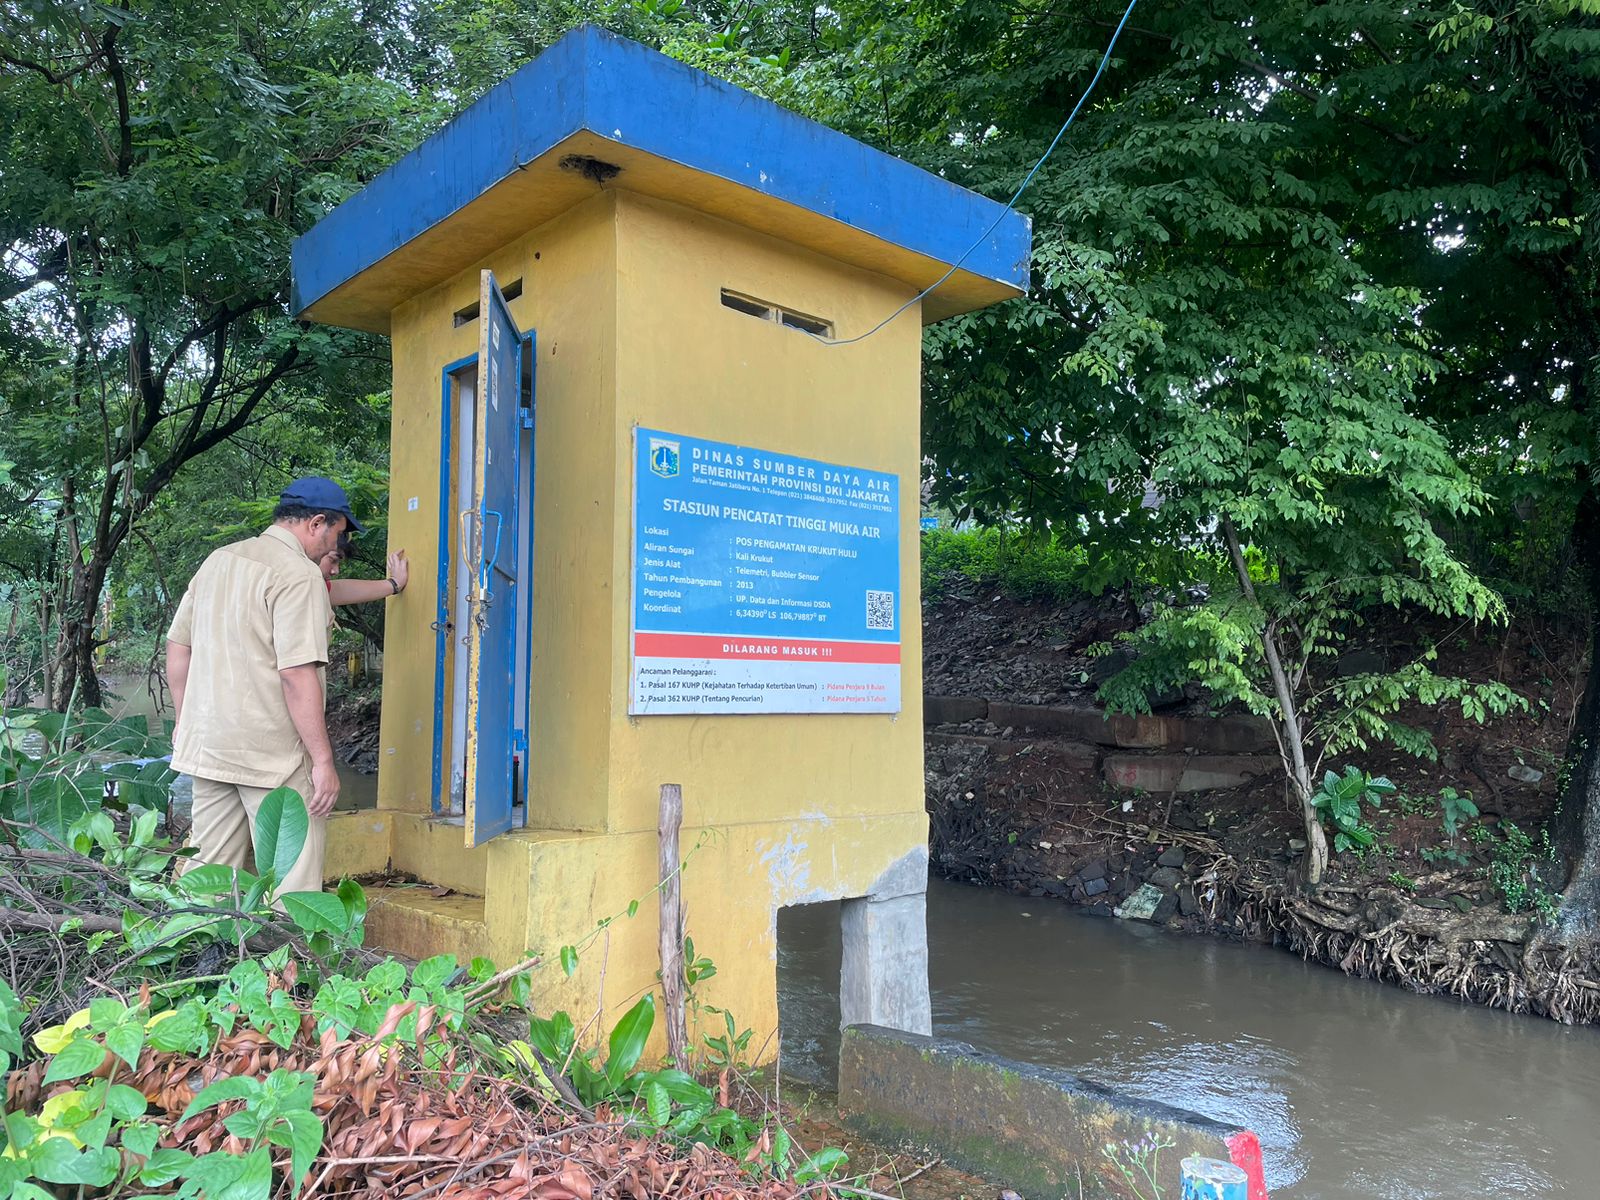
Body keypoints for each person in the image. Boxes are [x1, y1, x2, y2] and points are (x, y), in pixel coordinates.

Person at [164, 477, 362, 895]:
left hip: (210, 746)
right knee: (292, 878)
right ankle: (289, 960)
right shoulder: (299, 575)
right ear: (317, 523)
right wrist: (323, 761)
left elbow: (178, 645)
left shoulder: (219, 560)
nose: (334, 546)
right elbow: (296, 674)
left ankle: (190, 952)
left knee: (208, 877)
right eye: (338, 534)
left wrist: (185, 719)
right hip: (272, 757)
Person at [319, 536, 409, 605]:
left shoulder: (314, 588)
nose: (336, 571)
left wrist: (394, 583)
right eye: (332, 560)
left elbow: (340, 590)